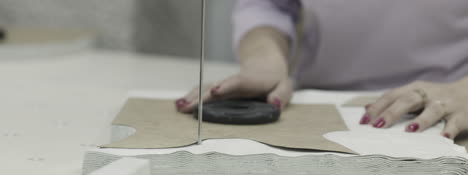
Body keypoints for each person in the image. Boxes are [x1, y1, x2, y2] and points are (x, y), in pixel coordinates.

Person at [176, 0, 468, 139]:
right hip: (318, 108)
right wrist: (265, 60)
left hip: (448, 114)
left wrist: (462, 90)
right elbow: (268, 5)